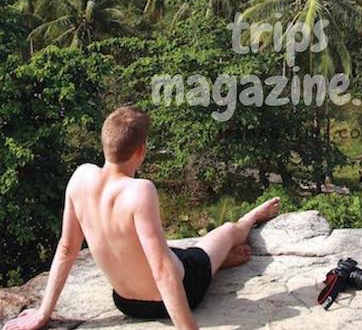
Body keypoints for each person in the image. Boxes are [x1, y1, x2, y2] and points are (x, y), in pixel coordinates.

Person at [2, 106, 280, 330]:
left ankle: (217, 262)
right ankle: (251, 218)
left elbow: (66, 248)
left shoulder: (80, 177)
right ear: (141, 151)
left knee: (175, 251)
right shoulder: (139, 190)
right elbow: (161, 268)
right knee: (227, 231)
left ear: (104, 143)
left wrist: (43, 313)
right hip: (181, 289)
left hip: (125, 302)